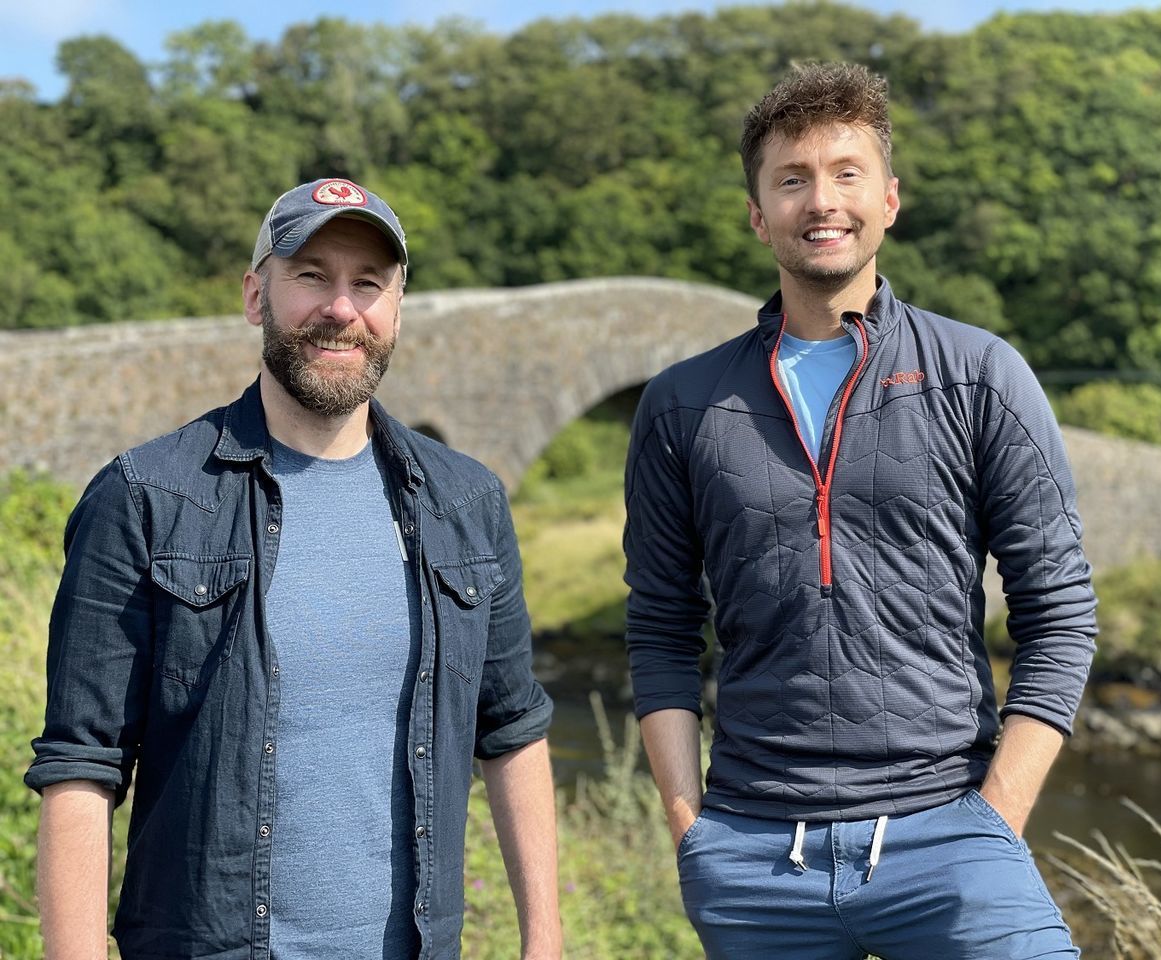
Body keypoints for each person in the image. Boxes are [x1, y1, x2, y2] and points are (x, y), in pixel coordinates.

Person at [623, 63, 1097, 959]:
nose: (821, 200)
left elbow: (1061, 615)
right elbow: (659, 625)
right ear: (758, 214)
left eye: (846, 172)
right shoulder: (684, 404)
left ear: (889, 198)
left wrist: (997, 818)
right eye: (791, 178)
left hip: (951, 834)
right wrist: (693, 829)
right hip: (757, 855)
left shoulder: (979, 374)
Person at [27, 178, 561, 960]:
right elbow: (82, 765)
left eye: (368, 284)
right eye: (311, 275)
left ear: (397, 311)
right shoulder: (145, 498)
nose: (341, 308)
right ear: (255, 295)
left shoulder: (467, 500)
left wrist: (542, 944)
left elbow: (513, 731)